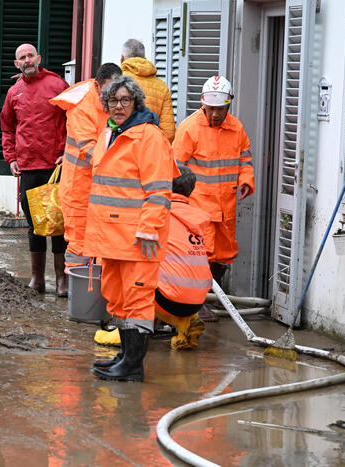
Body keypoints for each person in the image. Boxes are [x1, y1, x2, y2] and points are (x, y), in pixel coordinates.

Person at [83, 75, 176, 382]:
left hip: (138, 239)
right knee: (119, 300)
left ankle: (134, 365)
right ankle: (125, 357)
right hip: (111, 237)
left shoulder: (149, 137)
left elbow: (159, 189)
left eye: (125, 100)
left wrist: (149, 228)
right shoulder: (109, 133)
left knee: (137, 302)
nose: (118, 106)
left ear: (137, 102)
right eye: (113, 101)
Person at [93, 165, 211, 356]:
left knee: (129, 271)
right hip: (198, 300)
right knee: (160, 276)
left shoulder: (157, 214)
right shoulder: (197, 219)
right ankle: (185, 322)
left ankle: (122, 330)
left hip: (167, 297)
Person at [0, 43, 69, 296]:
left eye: (30, 56)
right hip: (28, 167)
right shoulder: (14, 92)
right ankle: (37, 279)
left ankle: (62, 279)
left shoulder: (57, 85)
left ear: (38, 58)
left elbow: (73, 120)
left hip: (55, 166)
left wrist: (67, 152)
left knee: (59, 223)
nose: (27, 60)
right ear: (17, 64)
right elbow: (7, 127)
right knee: (36, 224)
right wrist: (10, 158)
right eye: (22, 58)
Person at [172, 75, 254, 288]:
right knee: (200, 253)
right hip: (198, 207)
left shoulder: (237, 128)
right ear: (203, 104)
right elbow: (174, 168)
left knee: (224, 254)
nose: (215, 114)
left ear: (228, 105)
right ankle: (200, 299)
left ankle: (210, 294)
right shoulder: (189, 128)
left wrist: (246, 180)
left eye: (220, 109)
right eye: (210, 108)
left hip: (225, 206)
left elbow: (245, 158)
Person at [49, 63, 122, 271]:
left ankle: (97, 293)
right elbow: (88, 148)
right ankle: (77, 294)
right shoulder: (82, 105)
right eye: (109, 92)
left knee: (103, 243)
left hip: (103, 187)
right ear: (98, 86)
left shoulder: (115, 102)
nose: (113, 98)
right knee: (79, 243)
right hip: (78, 189)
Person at [120, 39, 176, 142]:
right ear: (145, 59)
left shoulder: (117, 82)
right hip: (151, 146)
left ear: (122, 58)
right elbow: (169, 132)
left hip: (123, 145)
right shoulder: (162, 86)